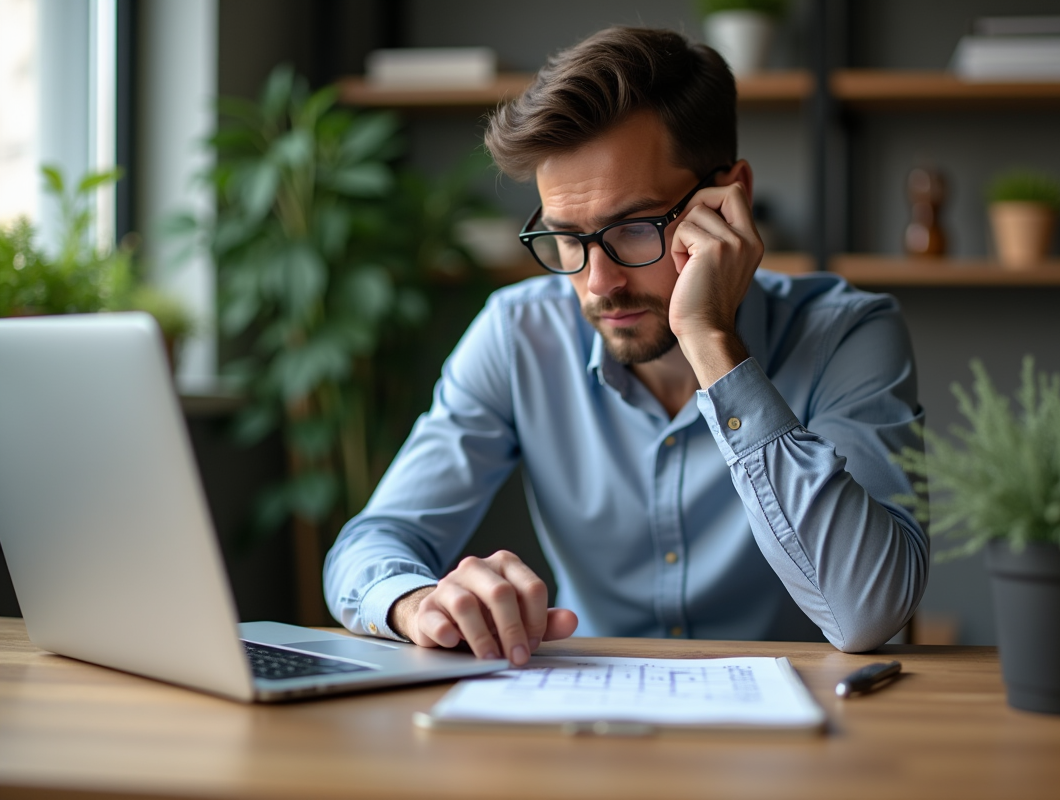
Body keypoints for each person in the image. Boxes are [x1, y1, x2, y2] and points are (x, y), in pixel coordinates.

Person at [324, 26, 927, 663]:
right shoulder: (519, 335)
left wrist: (711, 341)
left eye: (635, 228)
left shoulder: (846, 334)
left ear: (732, 199)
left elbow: (867, 612)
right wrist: (417, 602)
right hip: (590, 710)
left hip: (800, 714)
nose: (598, 283)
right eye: (566, 237)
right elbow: (371, 544)